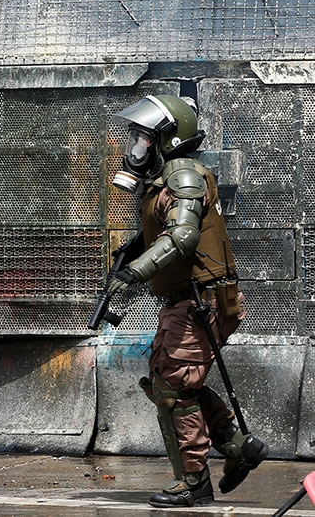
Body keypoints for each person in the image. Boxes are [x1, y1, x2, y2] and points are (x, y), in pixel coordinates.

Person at [104, 95, 268, 508]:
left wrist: (133, 273)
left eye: (144, 138)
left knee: (173, 388)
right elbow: (166, 229)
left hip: (201, 300)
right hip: (190, 300)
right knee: (172, 382)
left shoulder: (183, 176)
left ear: (168, 139)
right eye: (135, 137)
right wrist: (135, 249)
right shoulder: (166, 179)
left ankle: (194, 481)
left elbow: (182, 236)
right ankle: (236, 444)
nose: (136, 147)